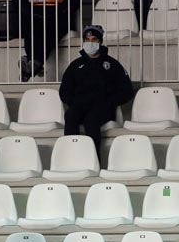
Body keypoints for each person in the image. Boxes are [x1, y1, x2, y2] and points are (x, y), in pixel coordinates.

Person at [58, 24, 135, 152]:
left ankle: (94, 160)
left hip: (102, 108)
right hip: (80, 107)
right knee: (70, 115)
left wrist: (110, 102)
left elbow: (127, 91)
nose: (90, 43)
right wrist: (75, 102)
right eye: (87, 40)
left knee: (91, 120)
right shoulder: (76, 65)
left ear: (100, 42)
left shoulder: (112, 64)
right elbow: (64, 91)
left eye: (94, 40)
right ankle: (71, 156)